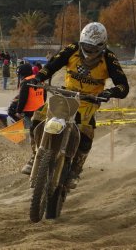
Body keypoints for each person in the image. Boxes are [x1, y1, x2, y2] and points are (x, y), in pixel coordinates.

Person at [21, 22, 129, 190]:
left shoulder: (109, 58)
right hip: (65, 95)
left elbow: (123, 86)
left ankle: (76, 169)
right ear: (81, 42)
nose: (89, 51)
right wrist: (39, 78)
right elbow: (52, 66)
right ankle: (35, 154)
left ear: (102, 45)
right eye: (86, 46)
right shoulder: (72, 49)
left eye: (93, 48)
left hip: (89, 100)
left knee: (87, 132)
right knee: (38, 117)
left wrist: (110, 92)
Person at [15, 63, 46, 129]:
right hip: (41, 109)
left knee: (29, 131)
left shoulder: (25, 82)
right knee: (39, 130)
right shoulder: (39, 79)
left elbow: (23, 98)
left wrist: (18, 111)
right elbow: (44, 95)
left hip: (29, 112)